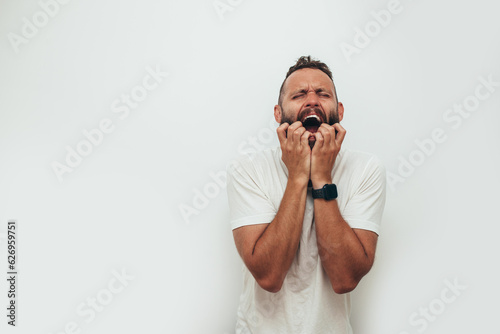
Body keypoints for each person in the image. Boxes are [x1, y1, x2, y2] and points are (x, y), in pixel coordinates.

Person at [226, 56, 386, 333]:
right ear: (278, 113)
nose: (312, 101)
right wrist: (299, 175)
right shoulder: (248, 169)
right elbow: (269, 276)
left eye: (323, 94)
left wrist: (322, 177)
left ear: (340, 109)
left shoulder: (366, 169)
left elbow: (345, 279)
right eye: (299, 94)